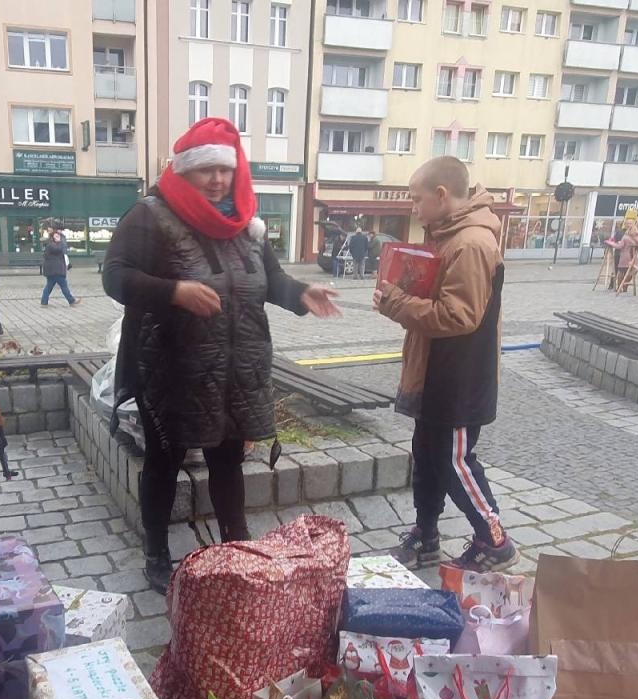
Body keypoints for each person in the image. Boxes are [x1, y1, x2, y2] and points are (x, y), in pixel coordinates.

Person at [102, 117, 341, 592]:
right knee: (165, 461)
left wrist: (301, 293)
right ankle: (155, 551)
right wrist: (174, 291)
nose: (216, 180)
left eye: (224, 170)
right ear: (184, 170)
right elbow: (115, 276)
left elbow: (270, 280)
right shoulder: (149, 215)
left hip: (236, 366)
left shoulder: (245, 224)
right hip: (171, 367)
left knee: (228, 460)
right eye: (206, 170)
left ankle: (236, 543)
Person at [373, 156, 518, 572]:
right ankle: (427, 535)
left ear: (441, 195)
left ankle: (495, 541)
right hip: (435, 371)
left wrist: (397, 303)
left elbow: (459, 316)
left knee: (455, 463)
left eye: (417, 200)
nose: (413, 209)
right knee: (428, 455)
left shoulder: (471, 243)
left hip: (459, 378)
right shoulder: (446, 235)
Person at [40, 225, 79, 306]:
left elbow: (64, 255)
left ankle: (44, 302)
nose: (59, 237)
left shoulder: (54, 244)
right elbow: (59, 250)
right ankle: (71, 301)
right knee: (63, 286)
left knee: (49, 287)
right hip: (56, 270)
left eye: (59, 236)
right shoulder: (52, 245)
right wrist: (61, 241)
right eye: (56, 236)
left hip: (53, 270)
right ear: (52, 238)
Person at [614, 225, 638, 293]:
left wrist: (613, 244)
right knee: (633, 271)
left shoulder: (625, 237)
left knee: (621, 271)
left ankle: (620, 286)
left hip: (625, 256)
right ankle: (625, 285)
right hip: (634, 257)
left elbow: (620, 246)